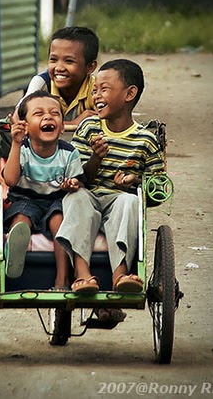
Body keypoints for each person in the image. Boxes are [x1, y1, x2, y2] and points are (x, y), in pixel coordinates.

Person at [56, 59, 165, 295]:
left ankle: (120, 274)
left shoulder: (145, 140)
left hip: (119, 201)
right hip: (89, 195)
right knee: (76, 199)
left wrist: (135, 181)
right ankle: (83, 275)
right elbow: (77, 176)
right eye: (95, 90)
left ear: (130, 94)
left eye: (104, 89)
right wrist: (95, 158)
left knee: (130, 201)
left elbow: (157, 188)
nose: (96, 96)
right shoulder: (88, 128)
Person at [3, 90, 84, 289]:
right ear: (26, 127)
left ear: (63, 126)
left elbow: (78, 181)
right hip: (25, 199)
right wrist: (15, 142)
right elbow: (11, 180)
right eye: (38, 114)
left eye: (54, 113)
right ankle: (15, 252)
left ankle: (62, 279)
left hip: (57, 201)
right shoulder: (22, 149)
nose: (48, 116)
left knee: (60, 222)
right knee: (22, 218)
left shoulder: (69, 153)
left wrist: (72, 184)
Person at [16, 26, 98, 128]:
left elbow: (113, 123)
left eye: (69, 61)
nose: (59, 68)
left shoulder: (96, 89)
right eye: (53, 60)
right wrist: (73, 124)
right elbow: (18, 119)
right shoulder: (42, 83)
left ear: (90, 67)